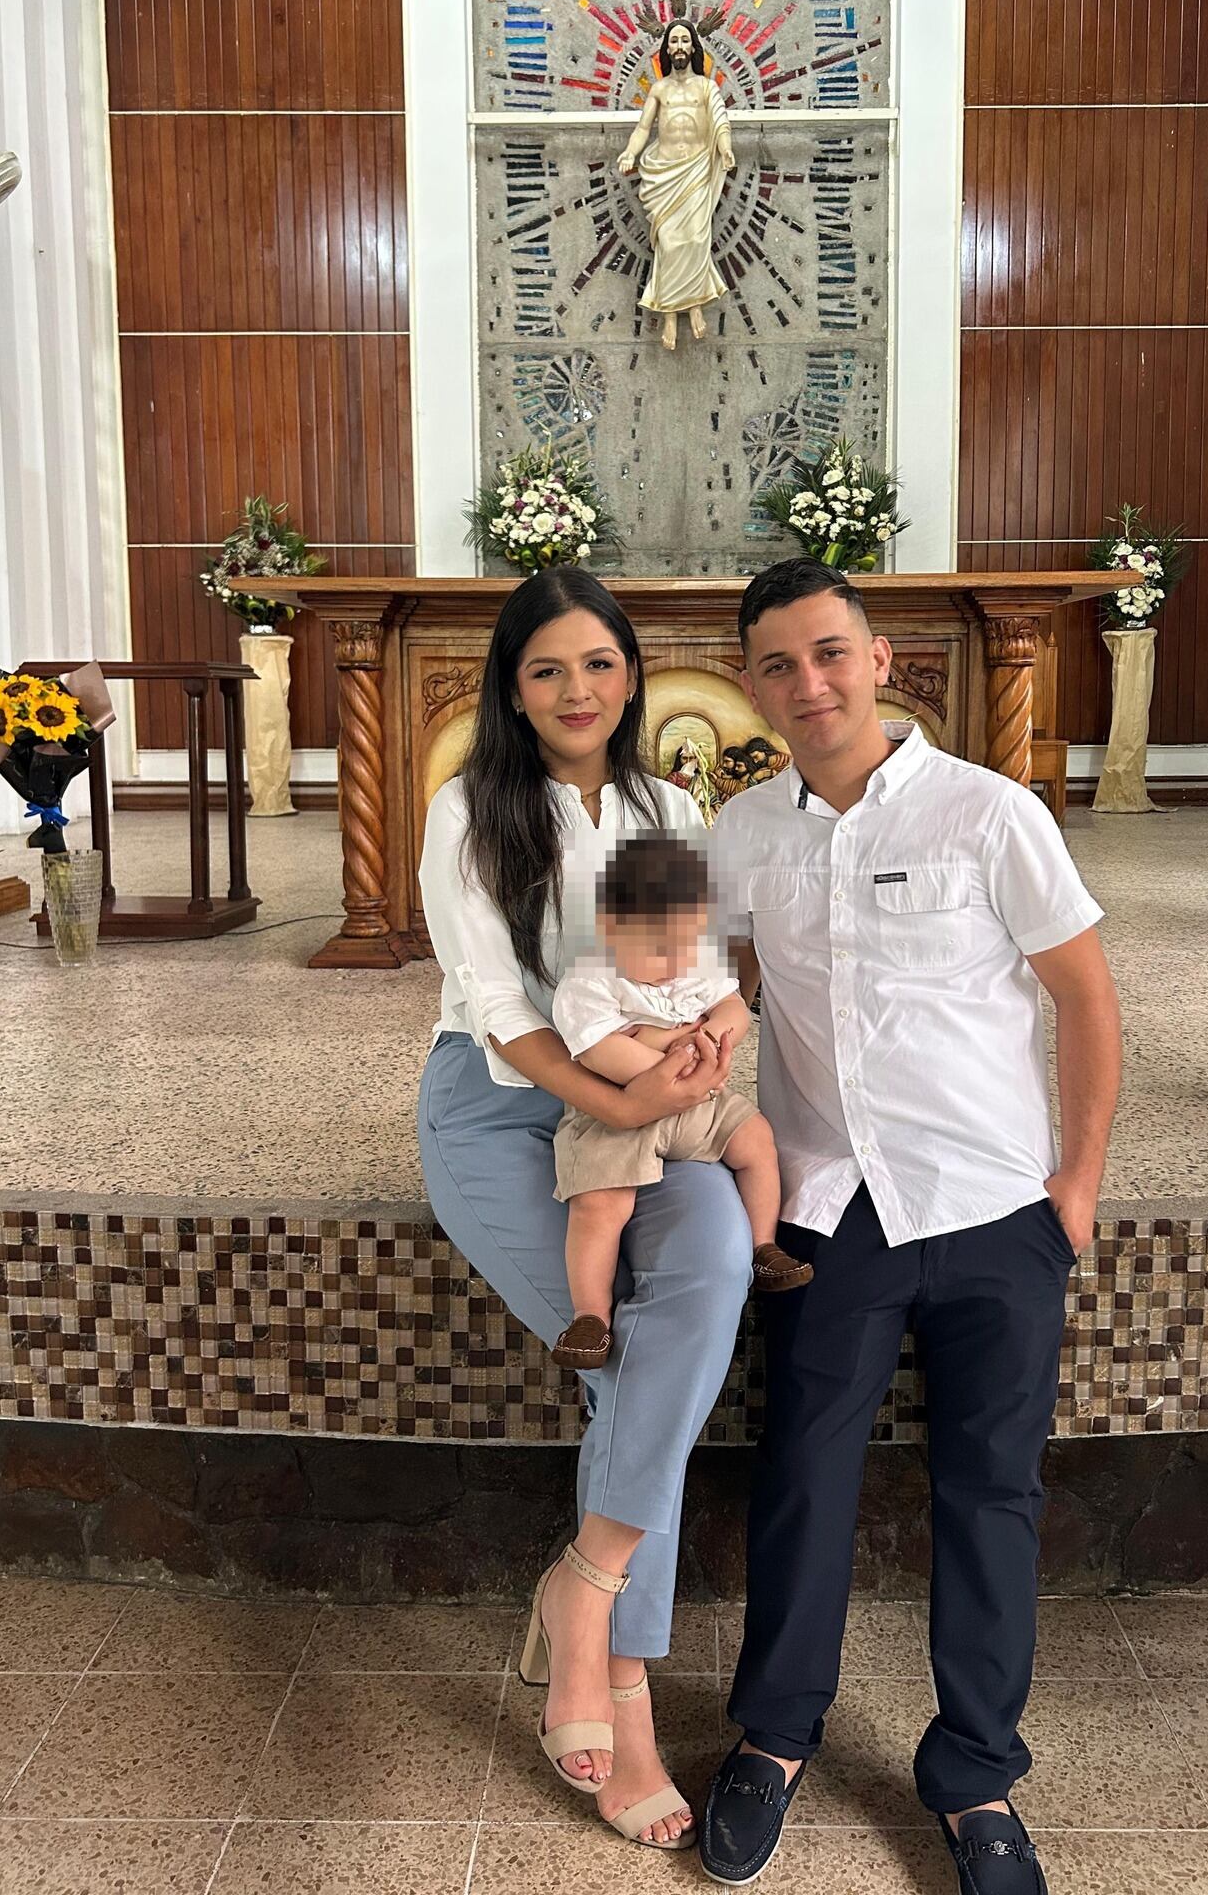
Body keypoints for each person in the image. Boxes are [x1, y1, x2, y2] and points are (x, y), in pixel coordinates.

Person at [698, 558, 1122, 1893]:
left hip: (994, 1206)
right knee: (804, 1473)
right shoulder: (741, 834)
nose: (808, 683)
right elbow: (709, 985)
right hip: (831, 1210)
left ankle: (977, 1772)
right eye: (777, 663)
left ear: (880, 660)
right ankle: (774, 1737)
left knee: (992, 1490)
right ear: (751, 684)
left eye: (830, 652)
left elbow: (1087, 997)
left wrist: (1076, 1184)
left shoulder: (989, 813)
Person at [416, 566, 753, 1855]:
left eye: (599, 663)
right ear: (513, 688)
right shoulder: (469, 809)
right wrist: (615, 1103)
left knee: (713, 1261)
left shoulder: (670, 803)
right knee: (624, 1353)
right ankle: (620, 1678)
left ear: (631, 674)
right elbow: (499, 1004)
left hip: (649, 1101)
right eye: (547, 668)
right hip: (506, 1105)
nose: (577, 689)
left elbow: (702, 964)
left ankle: (584, 1580)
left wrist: (702, 1052)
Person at [548, 830, 812, 1371]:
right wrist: (675, 1057)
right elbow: (600, 1051)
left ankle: (764, 1246)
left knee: (756, 1139)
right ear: (609, 928)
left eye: (687, 942)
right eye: (658, 947)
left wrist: (703, 1037)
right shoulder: (589, 983)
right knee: (601, 1202)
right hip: (619, 1111)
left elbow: (733, 1008)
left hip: (699, 1101)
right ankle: (590, 1316)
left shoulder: (696, 963)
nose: (675, 960)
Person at [617, 17, 735, 350]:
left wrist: (725, 149)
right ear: (667, 49)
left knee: (696, 239)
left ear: (693, 47)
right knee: (668, 243)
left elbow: (720, 121)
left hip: (696, 169)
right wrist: (630, 152)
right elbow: (643, 128)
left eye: (685, 41)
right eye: (674, 41)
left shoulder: (706, 87)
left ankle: (695, 304)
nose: (679, 47)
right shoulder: (659, 89)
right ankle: (669, 314)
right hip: (664, 174)